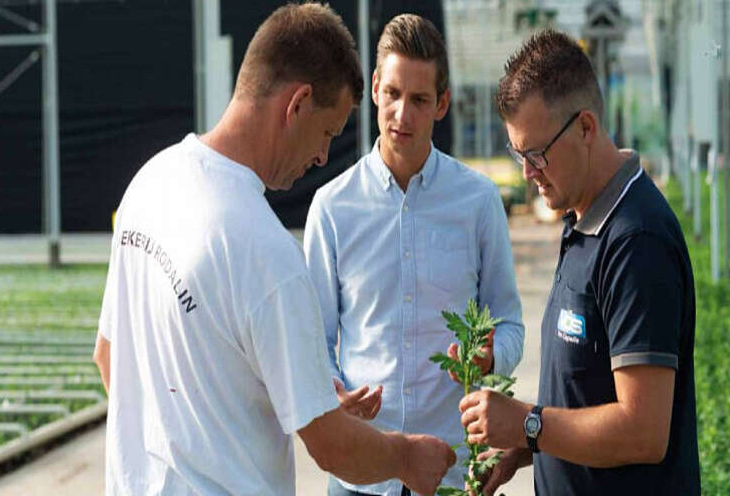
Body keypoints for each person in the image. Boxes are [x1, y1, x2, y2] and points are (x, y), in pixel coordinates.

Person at [92, 4, 455, 496]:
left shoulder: (150, 182)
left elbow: (109, 356)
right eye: (327, 132)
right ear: (298, 103)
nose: (323, 156)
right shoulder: (266, 249)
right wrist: (408, 456)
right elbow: (331, 447)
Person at [458, 30, 700, 496]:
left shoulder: (636, 240)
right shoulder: (581, 217)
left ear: (586, 127)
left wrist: (530, 425)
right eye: (518, 154)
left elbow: (643, 431)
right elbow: (584, 392)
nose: (527, 173)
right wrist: (522, 447)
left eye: (536, 154)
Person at [304, 14, 524, 495]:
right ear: (376, 88)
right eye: (393, 94)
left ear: (442, 103)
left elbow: (509, 322)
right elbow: (313, 340)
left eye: (420, 100)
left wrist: (490, 358)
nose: (402, 114)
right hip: (358, 473)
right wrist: (334, 391)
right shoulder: (333, 207)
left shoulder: (479, 203)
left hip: (451, 472)